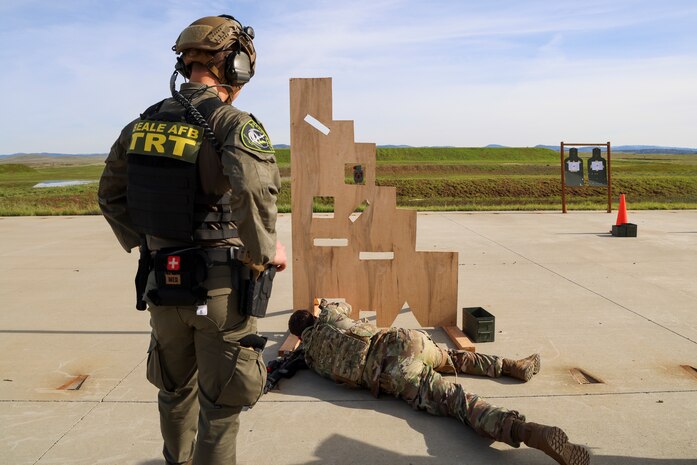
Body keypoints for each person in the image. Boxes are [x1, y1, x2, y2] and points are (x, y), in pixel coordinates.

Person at [98, 15, 286, 465]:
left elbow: (109, 197)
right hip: (220, 288)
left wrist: (152, 241)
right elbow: (256, 191)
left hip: (162, 284)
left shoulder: (139, 125)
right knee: (220, 408)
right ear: (236, 66)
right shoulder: (230, 123)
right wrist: (263, 256)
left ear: (185, 65)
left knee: (174, 392)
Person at [288, 301, 590, 465]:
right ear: (312, 318)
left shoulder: (310, 358)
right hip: (405, 341)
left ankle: (527, 432)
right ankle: (512, 366)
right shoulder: (328, 316)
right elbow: (342, 306)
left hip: (394, 374)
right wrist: (321, 307)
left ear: (301, 336)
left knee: (459, 402)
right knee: (454, 358)